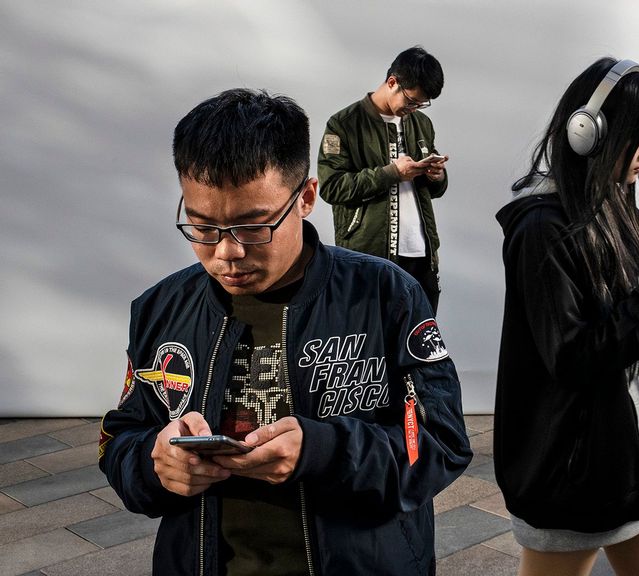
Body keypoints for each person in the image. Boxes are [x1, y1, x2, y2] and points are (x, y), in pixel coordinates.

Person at [98, 88, 472, 576]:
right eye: (202, 227)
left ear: (307, 198)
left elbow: (440, 440)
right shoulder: (160, 309)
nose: (226, 253)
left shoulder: (385, 295)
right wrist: (154, 463)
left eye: (253, 227)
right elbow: (120, 437)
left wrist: (324, 450)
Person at [493, 58, 639, 576]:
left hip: (630, 455)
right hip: (574, 468)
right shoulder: (541, 230)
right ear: (588, 132)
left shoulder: (611, 206)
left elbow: (634, 331)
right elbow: (577, 355)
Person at [318, 45, 448, 313]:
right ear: (392, 83)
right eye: (412, 101)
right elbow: (331, 187)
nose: (415, 109)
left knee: (420, 346)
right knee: (372, 344)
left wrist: (437, 176)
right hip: (368, 258)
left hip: (422, 257)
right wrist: (391, 173)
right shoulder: (343, 124)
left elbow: (432, 192)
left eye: (422, 104)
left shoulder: (422, 124)